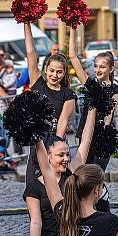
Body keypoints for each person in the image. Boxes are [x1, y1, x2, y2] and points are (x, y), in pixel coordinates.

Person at [23, 109, 105, 236]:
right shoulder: (34, 188)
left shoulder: (71, 174)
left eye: (67, 154)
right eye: (61, 155)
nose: (66, 159)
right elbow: (35, 222)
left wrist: (92, 108)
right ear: (48, 156)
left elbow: (85, 142)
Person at [23, 22, 78, 179]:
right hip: (37, 143)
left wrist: (53, 149)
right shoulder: (37, 83)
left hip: (55, 145)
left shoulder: (68, 95)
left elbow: (62, 123)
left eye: (59, 72)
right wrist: (26, 23)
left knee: (56, 187)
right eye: (52, 70)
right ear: (46, 69)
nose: (54, 75)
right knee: (33, 187)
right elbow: (30, 52)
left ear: (64, 74)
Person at [69, 26, 118, 171]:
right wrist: (73, 28)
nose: (98, 70)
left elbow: (110, 109)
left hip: (103, 135)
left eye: (102, 67)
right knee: (82, 172)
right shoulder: (91, 84)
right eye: (96, 66)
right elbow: (73, 57)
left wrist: (106, 127)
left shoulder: (116, 89)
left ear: (111, 69)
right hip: (86, 134)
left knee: (97, 174)